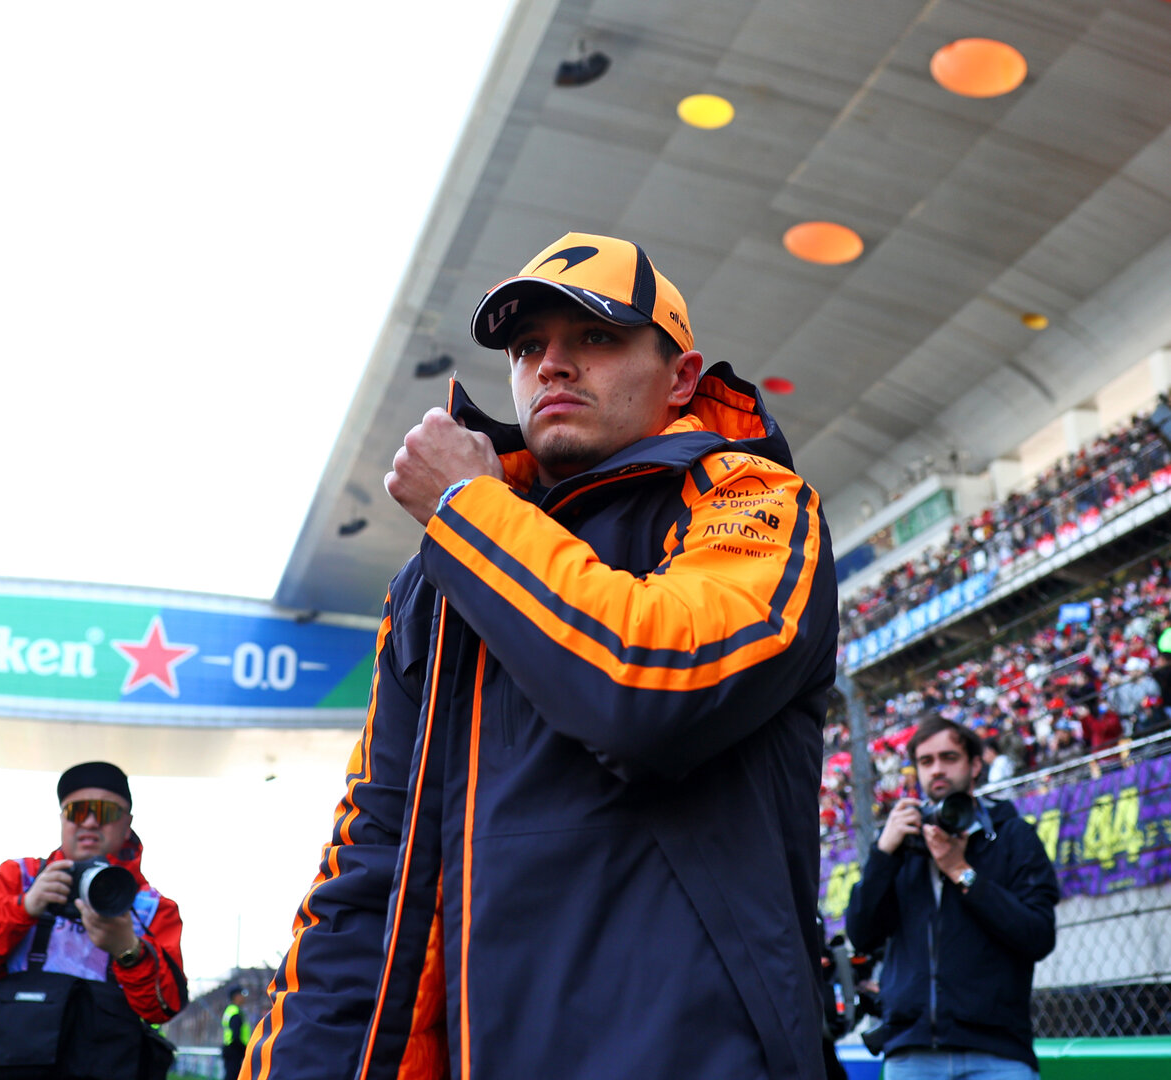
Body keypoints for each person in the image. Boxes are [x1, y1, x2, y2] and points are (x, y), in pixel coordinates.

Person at [245, 233, 839, 1079]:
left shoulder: (755, 497)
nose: (552, 364)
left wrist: (466, 506)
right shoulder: (436, 579)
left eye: (595, 336)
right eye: (528, 348)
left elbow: (651, 690)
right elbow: (371, 861)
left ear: (681, 378)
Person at [845, 715, 1060, 1079]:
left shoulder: (1013, 836)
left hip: (996, 1052)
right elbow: (862, 934)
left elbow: (1038, 935)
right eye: (926, 761)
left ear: (975, 765)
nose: (937, 770)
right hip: (911, 1053)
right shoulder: (899, 844)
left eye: (949, 757)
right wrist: (883, 854)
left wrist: (960, 871)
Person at [0, 761, 186, 1027]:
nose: (90, 822)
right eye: (77, 811)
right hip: (7, 1049)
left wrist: (128, 950)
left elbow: (163, 1010)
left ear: (127, 823)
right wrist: (23, 908)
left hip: (102, 1052)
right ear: (62, 819)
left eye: (106, 812)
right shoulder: (19, 877)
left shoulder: (153, 907)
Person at [220, 985, 249, 1080]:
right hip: (235, 1050)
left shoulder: (230, 1010)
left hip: (230, 1048)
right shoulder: (235, 1012)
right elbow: (236, 1035)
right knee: (233, 1076)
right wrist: (245, 1049)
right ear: (236, 996)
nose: (244, 997)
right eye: (242, 994)